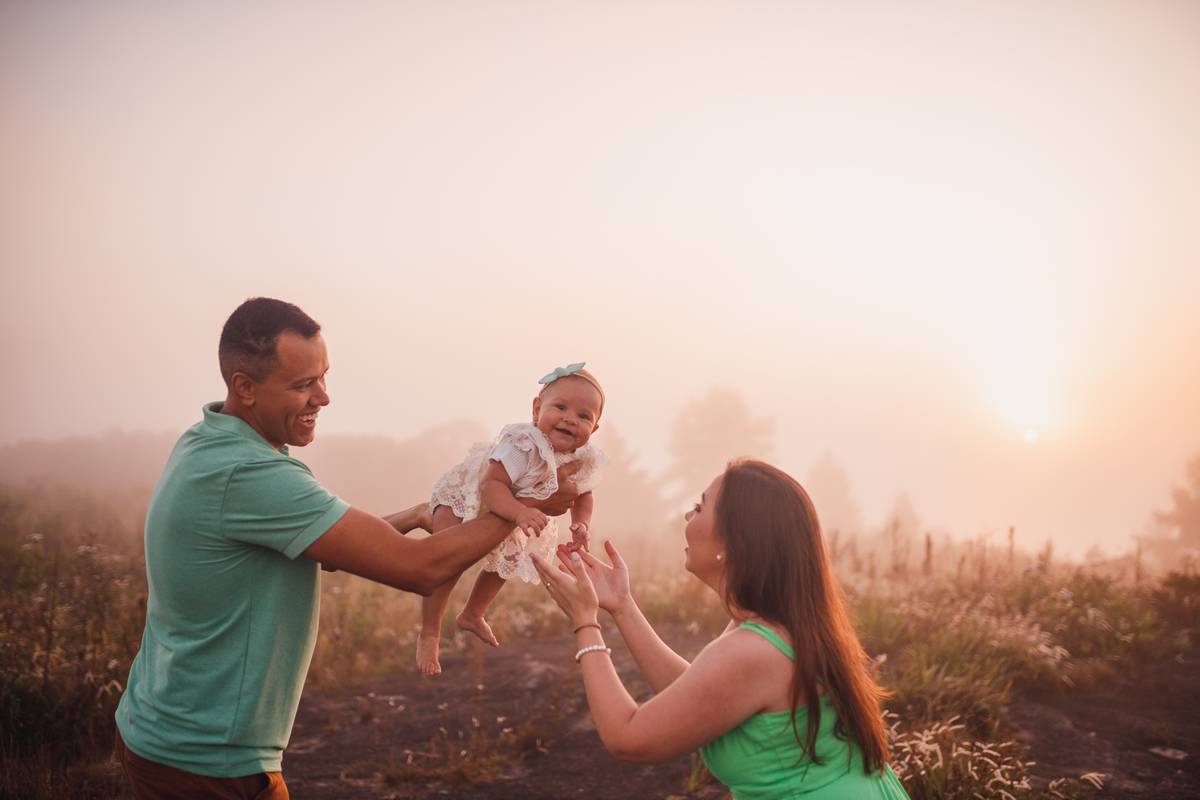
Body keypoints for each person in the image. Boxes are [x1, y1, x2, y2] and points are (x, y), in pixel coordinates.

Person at [113, 297, 580, 800]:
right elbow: (421, 569)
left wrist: (416, 515)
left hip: (160, 726)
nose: (324, 397)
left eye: (323, 377)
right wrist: (531, 502)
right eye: (303, 384)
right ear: (244, 388)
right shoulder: (251, 475)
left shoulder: (208, 442)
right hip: (207, 760)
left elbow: (329, 547)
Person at [532, 459, 909, 800]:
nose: (687, 515)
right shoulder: (774, 622)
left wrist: (585, 620)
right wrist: (622, 605)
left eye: (699, 507)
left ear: (734, 542)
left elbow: (628, 738)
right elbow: (699, 693)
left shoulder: (752, 650)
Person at [417, 363, 608, 675]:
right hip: (467, 498)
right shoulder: (524, 444)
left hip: (515, 509)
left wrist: (581, 524)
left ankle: (473, 613)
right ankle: (429, 634)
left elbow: (583, 493)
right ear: (537, 409)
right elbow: (491, 484)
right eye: (561, 407)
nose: (571, 419)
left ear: (594, 429)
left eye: (584, 416)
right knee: (446, 563)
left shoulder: (580, 458)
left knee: (510, 558)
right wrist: (520, 512)